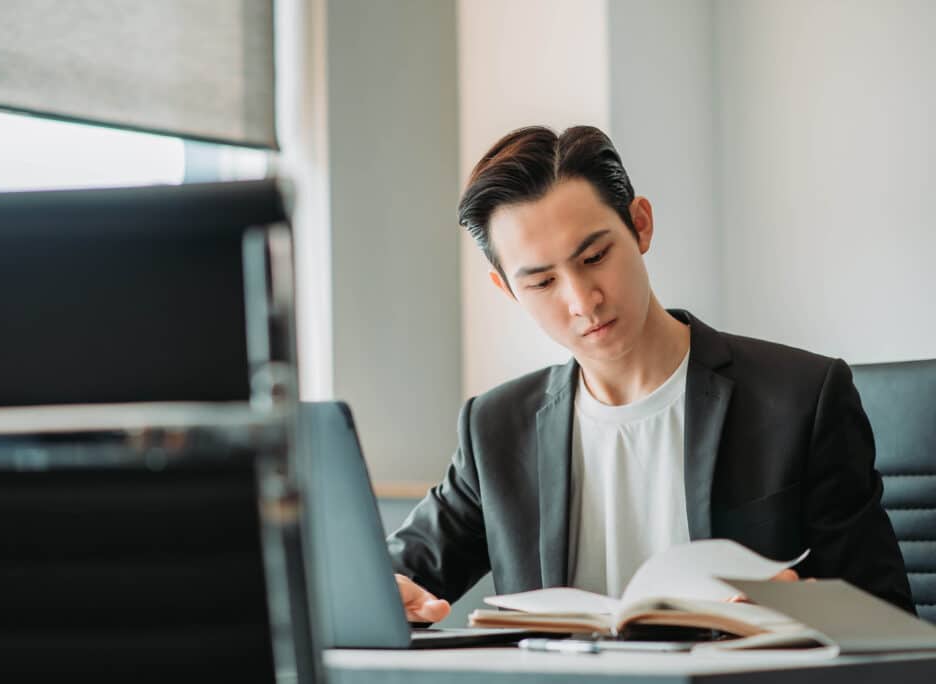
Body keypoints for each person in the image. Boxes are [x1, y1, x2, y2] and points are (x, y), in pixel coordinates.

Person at [387, 125, 914, 624]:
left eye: (594, 256)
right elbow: (393, 573)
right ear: (506, 290)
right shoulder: (497, 427)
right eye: (543, 282)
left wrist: (802, 609)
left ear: (640, 224)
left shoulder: (801, 398)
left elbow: (892, 623)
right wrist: (391, 591)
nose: (582, 300)